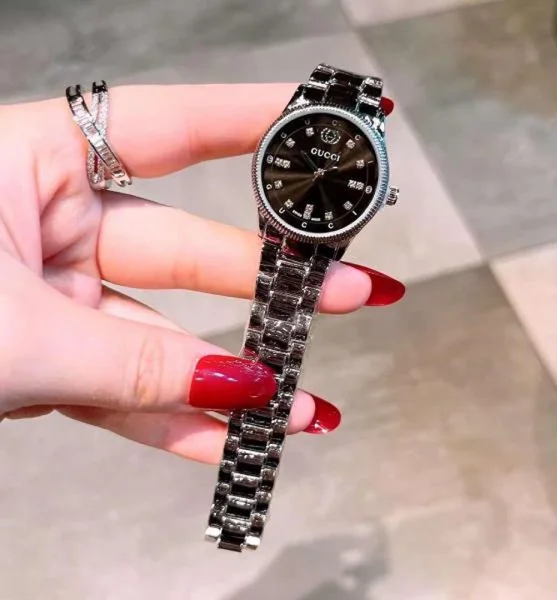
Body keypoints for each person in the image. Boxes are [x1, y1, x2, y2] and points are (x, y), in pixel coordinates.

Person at [0, 83, 404, 464]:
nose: (318, 174)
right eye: (311, 168)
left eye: (332, 173)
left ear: (381, 194)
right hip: (284, 222)